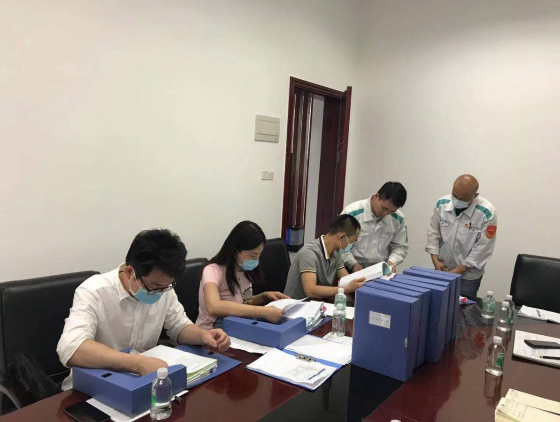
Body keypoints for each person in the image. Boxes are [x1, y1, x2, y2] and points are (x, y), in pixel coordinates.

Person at [57, 229, 230, 390]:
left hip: (145, 380)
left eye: (166, 286)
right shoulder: (93, 291)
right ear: (130, 272)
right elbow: (71, 348)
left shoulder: (163, 289)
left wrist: (203, 335)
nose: (160, 292)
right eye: (154, 286)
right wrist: (137, 363)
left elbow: (179, 325)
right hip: (94, 385)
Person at [196, 221, 290, 330]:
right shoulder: (212, 271)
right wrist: (261, 311)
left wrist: (263, 297)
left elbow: (240, 302)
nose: (256, 260)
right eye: (253, 255)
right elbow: (214, 306)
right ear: (236, 251)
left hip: (238, 328)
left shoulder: (244, 269)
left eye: (259, 255)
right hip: (210, 332)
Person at [426, 174, 497, 297]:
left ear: (475, 196)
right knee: (439, 303)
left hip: (468, 277)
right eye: (454, 195)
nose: (457, 200)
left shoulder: (487, 213)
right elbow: (433, 232)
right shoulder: (441, 204)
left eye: (463, 198)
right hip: (442, 269)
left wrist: (459, 269)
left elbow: (483, 248)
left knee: (464, 307)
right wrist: (435, 259)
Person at [283, 214, 366, 299]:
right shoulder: (309, 253)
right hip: (296, 304)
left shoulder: (336, 254)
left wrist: (363, 280)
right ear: (341, 237)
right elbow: (310, 291)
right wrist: (346, 289)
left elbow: (346, 279)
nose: (351, 246)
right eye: (352, 242)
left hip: (318, 303)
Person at [340, 182, 408, 273]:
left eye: (391, 211)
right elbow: (340, 244)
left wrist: (391, 263)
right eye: (384, 208)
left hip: (380, 269)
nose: (386, 213)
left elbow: (400, 247)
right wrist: (353, 264)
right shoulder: (352, 213)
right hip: (349, 267)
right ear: (376, 196)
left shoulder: (398, 218)